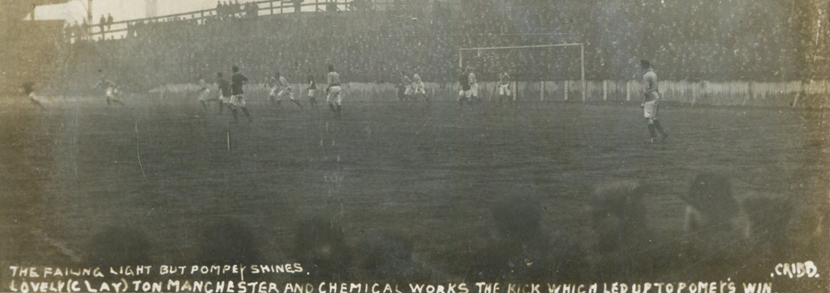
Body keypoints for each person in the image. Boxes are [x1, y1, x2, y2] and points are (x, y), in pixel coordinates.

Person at [640, 60, 668, 143]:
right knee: (654, 118)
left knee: (648, 118)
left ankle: (654, 137)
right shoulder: (653, 74)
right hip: (656, 97)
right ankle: (663, 133)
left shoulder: (646, 76)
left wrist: (643, 102)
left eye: (641, 65)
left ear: (644, 65)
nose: (640, 67)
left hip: (650, 98)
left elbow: (646, 91)